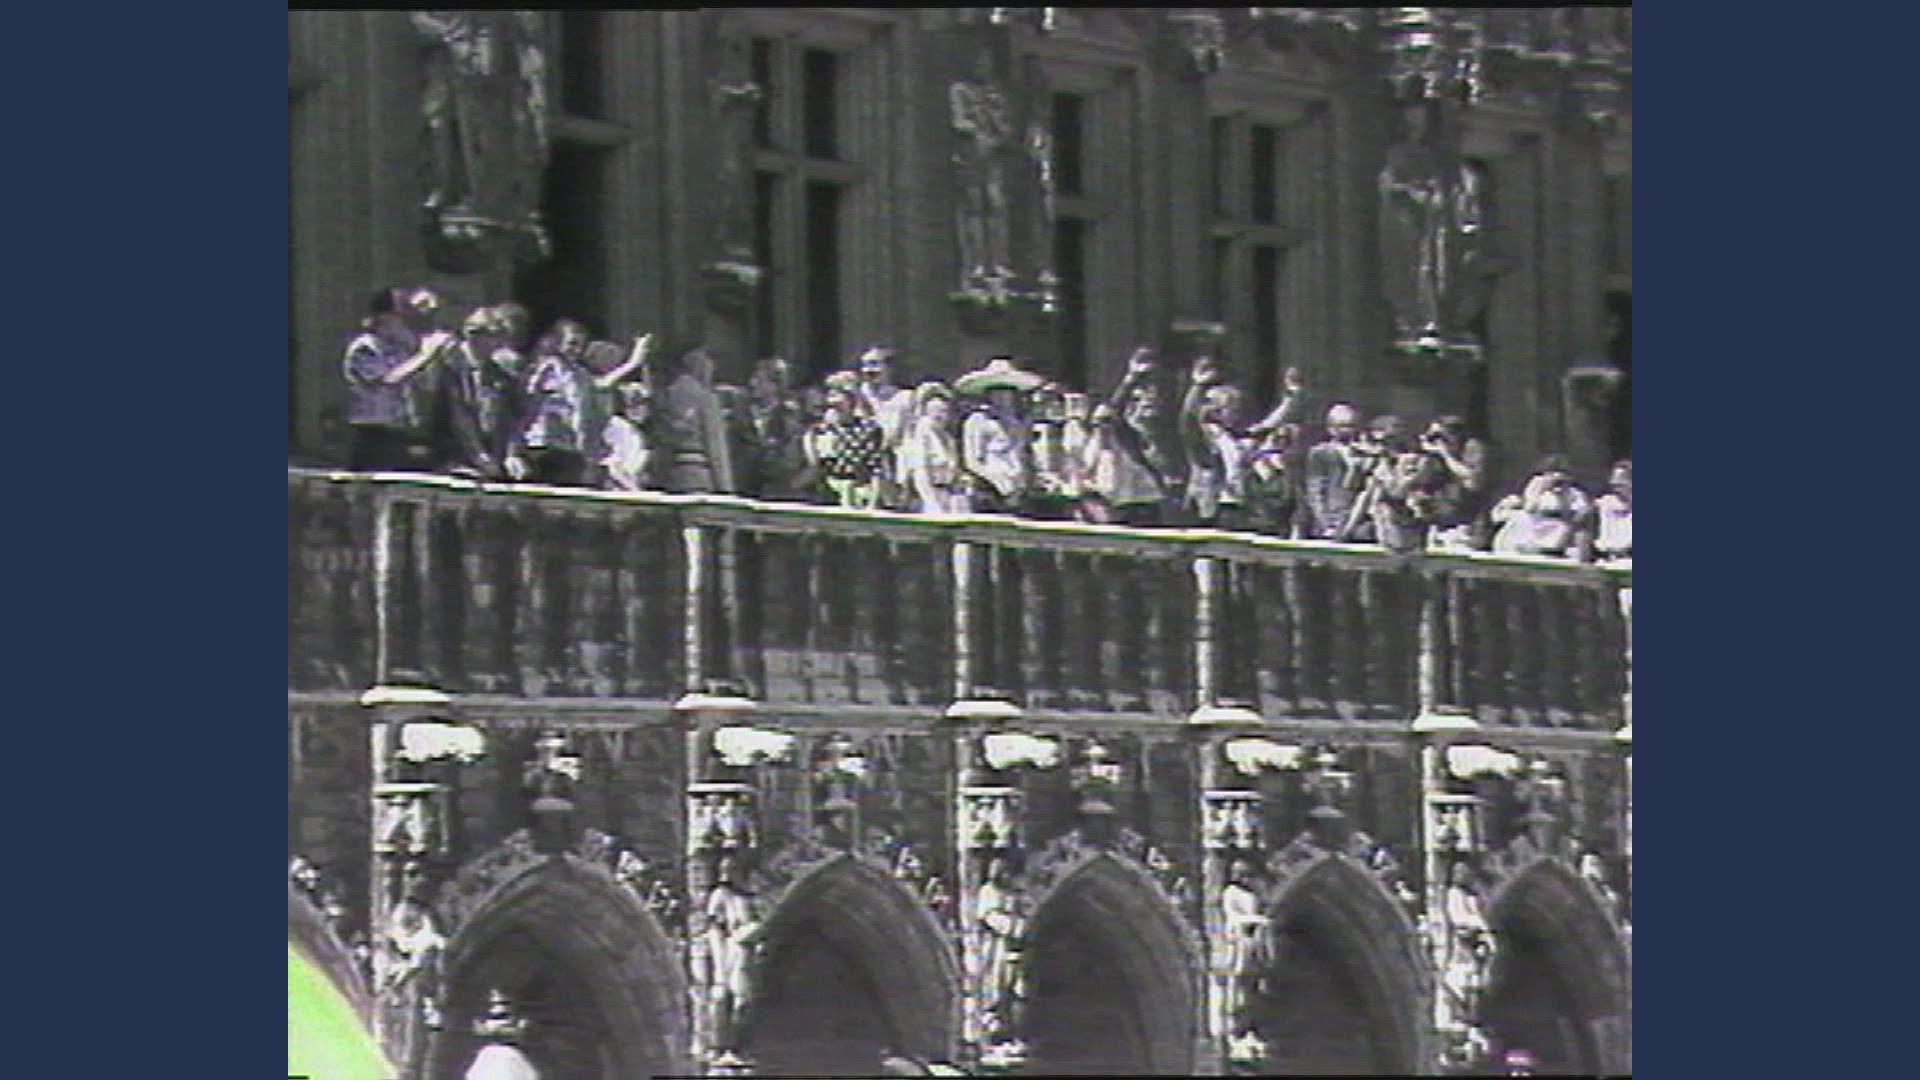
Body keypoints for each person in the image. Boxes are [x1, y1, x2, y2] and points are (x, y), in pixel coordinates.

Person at [344, 286, 455, 471]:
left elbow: (425, 384)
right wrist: (425, 354)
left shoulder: (400, 349)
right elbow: (390, 380)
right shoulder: (364, 347)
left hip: (400, 429)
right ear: (385, 317)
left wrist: (430, 353)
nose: (406, 325)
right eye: (402, 319)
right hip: (372, 431)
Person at [437, 306, 519, 479]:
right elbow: (458, 415)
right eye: (493, 336)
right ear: (473, 335)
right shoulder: (451, 365)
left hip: (487, 455)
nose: (499, 343)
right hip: (451, 454)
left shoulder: (499, 374)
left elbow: (507, 418)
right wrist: (478, 455)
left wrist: (509, 455)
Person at [515, 319, 596, 485]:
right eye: (572, 343)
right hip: (541, 442)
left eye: (581, 345)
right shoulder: (547, 367)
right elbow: (529, 401)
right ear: (559, 343)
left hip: (569, 444)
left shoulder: (581, 374)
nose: (577, 350)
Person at [655, 347, 736, 494]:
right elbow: (715, 443)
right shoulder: (706, 398)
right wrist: (724, 486)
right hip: (698, 475)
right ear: (702, 368)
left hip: (670, 475)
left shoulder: (666, 396)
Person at [806, 372, 886, 508]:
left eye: (838, 396)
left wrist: (872, 506)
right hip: (828, 495)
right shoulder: (818, 432)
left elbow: (876, 470)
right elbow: (817, 467)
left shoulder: (869, 429)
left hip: (860, 492)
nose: (832, 402)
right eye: (830, 396)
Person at [1490, 455, 1593, 559]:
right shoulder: (1535, 486)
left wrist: (1564, 499)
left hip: (1558, 535)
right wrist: (1540, 490)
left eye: (1563, 474)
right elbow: (1530, 508)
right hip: (1532, 530)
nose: (1557, 478)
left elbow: (1580, 516)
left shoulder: (1575, 494)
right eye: (1552, 473)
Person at [736, 358, 809, 500]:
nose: (752, 383)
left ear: (775, 385)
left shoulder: (788, 416)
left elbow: (790, 458)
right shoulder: (742, 414)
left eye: (760, 380)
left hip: (777, 491)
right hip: (746, 489)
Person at [855, 346, 915, 508]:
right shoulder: (855, 397)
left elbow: (903, 435)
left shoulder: (904, 398)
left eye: (875, 364)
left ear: (889, 368)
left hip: (895, 464)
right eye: (865, 365)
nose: (869, 370)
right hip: (859, 465)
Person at [1422, 416, 1493, 551]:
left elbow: (1472, 478)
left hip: (1468, 518)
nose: (1437, 441)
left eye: (1440, 436)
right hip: (1440, 516)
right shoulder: (1435, 455)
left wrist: (1445, 453)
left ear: (1453, 434)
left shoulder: (1472, 447)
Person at [898, 382, 969, 514]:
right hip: (926, 497)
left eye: (944, 411)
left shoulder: (948, 438)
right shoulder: (921, 434)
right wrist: (931, 502)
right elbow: (920, 472)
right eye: (935, 411)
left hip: (946, 494)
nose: (940, 416)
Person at [962, 382, 1031, 515]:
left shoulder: (1016, 422)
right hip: (988, 487)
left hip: (1016, 487)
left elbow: (1020, 453)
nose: (1003, 397)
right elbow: (972, 461)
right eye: (998, 393)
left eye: (1007, 393)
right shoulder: (978, 420)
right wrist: (997, 480)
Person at [1302, 403, 1366, 540]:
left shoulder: (1363, 452)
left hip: (1357, 521)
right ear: (1331, 428)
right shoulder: (1320, 453)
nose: (1349, 430)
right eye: (1343, 426)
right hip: (1331, 519)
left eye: (1352, 425)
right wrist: (1325, 524)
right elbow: (1315, 492)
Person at [1241, 424, 1302, 538]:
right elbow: (1250, 494)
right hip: (1257, 521)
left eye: (1284, 439)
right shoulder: (1256, 465)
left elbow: (1289, 497)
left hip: (1280, 523)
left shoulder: (1292, 464)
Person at [599, 381, 652, 492]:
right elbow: (614, 468)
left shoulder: (636, 430)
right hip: (617, 488)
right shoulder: (618, 427)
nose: (640, 410)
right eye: (634, 405)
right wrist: (635, 491)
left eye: (643, 405)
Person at [1593, 459, 1632, 565]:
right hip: (1604, 560)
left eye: (1621, 480)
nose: (1614, 482)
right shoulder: (1605, 502)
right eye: (1613, 478)